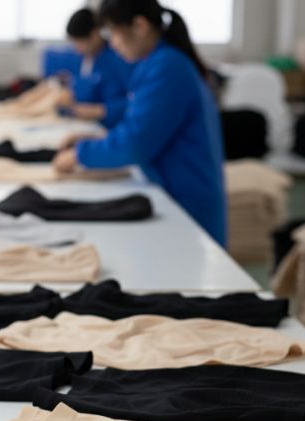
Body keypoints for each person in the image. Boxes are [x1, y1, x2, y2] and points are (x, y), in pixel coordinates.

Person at [53, 0, 227, 246]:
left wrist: (80, 154)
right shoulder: (158, 63)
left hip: (186, 201)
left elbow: (135, 143)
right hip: (173, 191)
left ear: (139, 26)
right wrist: (94, 140)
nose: (113, 43)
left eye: (113, 33)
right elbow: (140, 123)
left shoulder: (167, 67)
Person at [60, 8, 133, 128]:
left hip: (110, 126)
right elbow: (80, 90)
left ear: (94, 35)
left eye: (79, 42)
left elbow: (135, 102)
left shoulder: (120, 58)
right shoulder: (82, 59)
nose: (76, 49)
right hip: (83, 122)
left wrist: (99, 111)